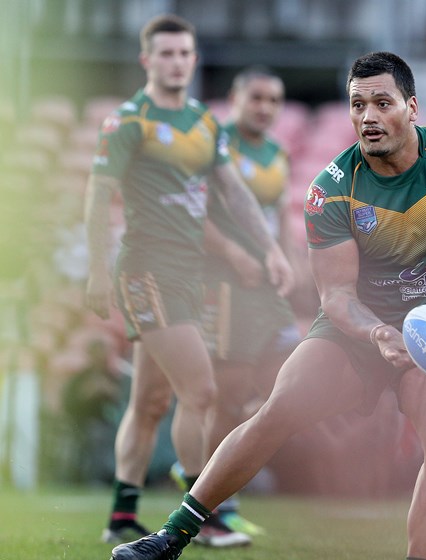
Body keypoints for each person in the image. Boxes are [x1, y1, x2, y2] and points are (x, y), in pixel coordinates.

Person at [108, 50, 426, 560]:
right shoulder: (332, 189)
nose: (369, 117)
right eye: (358, 105)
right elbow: (336, 297)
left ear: (412, 107)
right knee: (278, 411)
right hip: (356, 331)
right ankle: (171, 536)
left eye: (382, 102)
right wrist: (377, 333)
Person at [85, 14, 293, 548]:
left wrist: (270, 248)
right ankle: (204, 516)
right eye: (167, 54)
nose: (177, 62)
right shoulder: (129, 121)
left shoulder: (203, 122)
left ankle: (122, 514)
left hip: (186, 276)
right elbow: (96, 194)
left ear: (194, 59)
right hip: (146, 272)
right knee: (201, 391)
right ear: (147, 60)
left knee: (151, 401)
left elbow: (234, 193)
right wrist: (94, 269)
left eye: (185, 53)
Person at [168, 66, 302, 536]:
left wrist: (285, 260)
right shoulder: (214, 143)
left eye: (274, 100)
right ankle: (208, 505)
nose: (265, 108)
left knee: (283, 387)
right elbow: (192, 211)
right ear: (235, 98)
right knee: (227, 398)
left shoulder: (278, 152)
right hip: (225, 284)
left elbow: (279, 212)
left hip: (266, 288)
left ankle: (208, 480)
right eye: (257, 98)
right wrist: (234, 255)